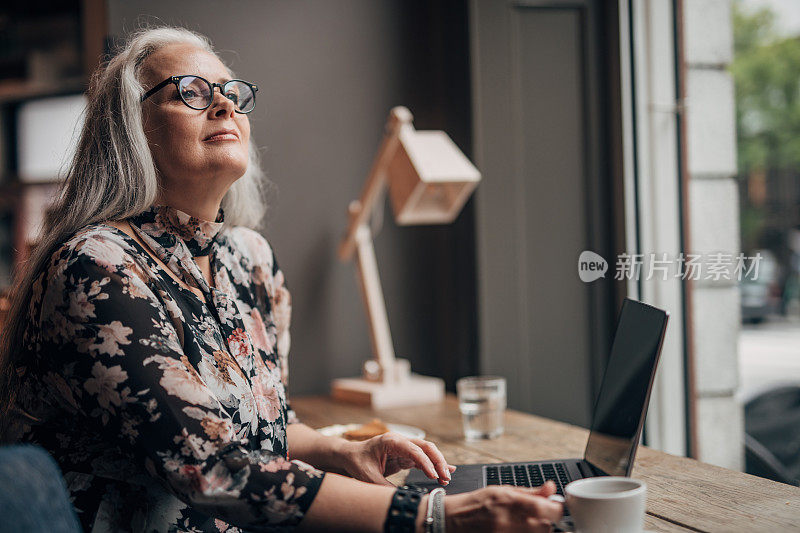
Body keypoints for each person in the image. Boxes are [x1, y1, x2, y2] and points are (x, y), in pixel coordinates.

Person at [0, 26, 563, 532]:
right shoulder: (95, 267)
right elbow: (213, 468)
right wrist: (442, 514)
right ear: (132, 131)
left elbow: (261, 423)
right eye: (191, 91)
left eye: (232, 91)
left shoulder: (251, 259)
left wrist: (343, 452)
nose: (223, 102)